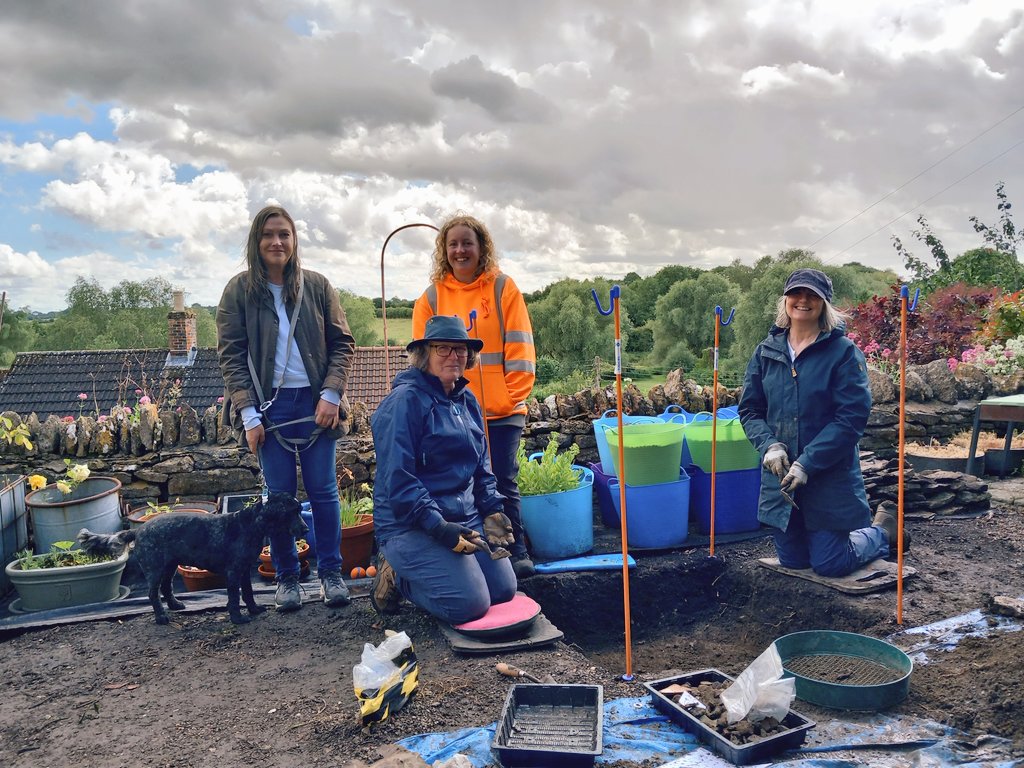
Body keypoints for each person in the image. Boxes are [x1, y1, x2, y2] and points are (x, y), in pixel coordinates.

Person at [217, 205, 356, 612]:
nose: (277, 242)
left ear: (294, 242)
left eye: (284, 235)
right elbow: (231, 356)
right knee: (276, 497)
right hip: (267, 409)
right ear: (256, 242)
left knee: (325, 493)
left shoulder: (317, 286)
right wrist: (248, 414)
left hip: (315, 403)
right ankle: (287, 578)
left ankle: (331, 573)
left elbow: (343, 343)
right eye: (268, 235)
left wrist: (331, 394)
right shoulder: (238, 291)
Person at [738, 268, 908, 577]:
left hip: (828, 477)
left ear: (824, 304)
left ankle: (883, 531)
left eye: (812, 295)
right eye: (796, 294)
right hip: (782, 478)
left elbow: (851, 418)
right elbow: (750, 410)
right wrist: (770, 446)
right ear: (785, 301)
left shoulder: (842, 353)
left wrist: (807, 464)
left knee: (831, 563)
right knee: (794, 561)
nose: (803, 300)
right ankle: (855, 536)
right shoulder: (766, 352)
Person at [369, 315, 518, 624]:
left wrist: (490, 508)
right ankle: (397, 576)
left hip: (462, 516)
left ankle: (437, 570)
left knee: (504, 589)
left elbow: (481, 465)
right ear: (424, 355)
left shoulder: (467, 401)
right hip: (410, 523)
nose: (454, 356)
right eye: (443, 348)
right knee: (470, 604)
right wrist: (438, 527)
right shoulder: (404, 402)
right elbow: (399, 480)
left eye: (460, 349)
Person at [412, 214, 537, 578]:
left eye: (467, 242)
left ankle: (512, 551)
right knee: (459, 482)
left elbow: (522, 347)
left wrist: (508, 399)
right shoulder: (432, 297)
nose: (460, 250)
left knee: (500, 480)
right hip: (450, 411)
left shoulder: (502, 288)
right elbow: (423, 359)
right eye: (453, 244)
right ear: (444, 250)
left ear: (481, 247)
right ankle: (475, 557)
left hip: (502, 410)